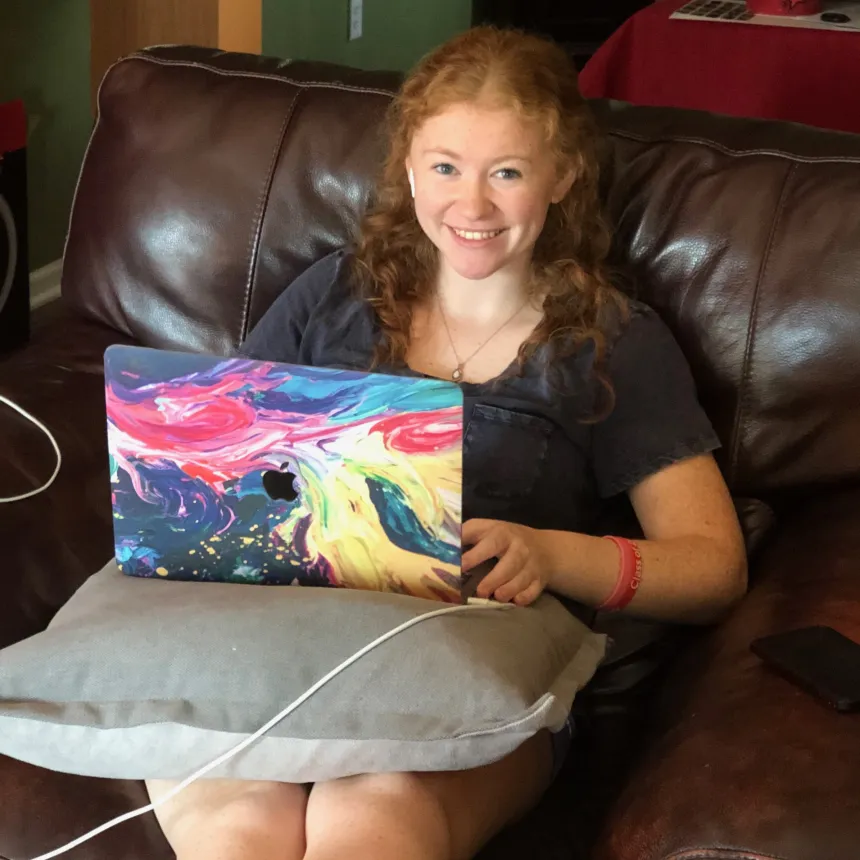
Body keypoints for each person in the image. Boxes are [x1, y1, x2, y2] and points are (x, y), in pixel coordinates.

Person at [146, 25, 747, 860]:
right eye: (445, 167)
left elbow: (714, 567)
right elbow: (213, 464)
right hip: (278, 646)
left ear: (563, 176)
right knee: (237, 828)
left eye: (507, 171)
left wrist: (552, 555)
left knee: (369, 821)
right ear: (409, 168)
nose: (472, 206)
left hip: (467, 668)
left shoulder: (613, 341)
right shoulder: (333, 295)